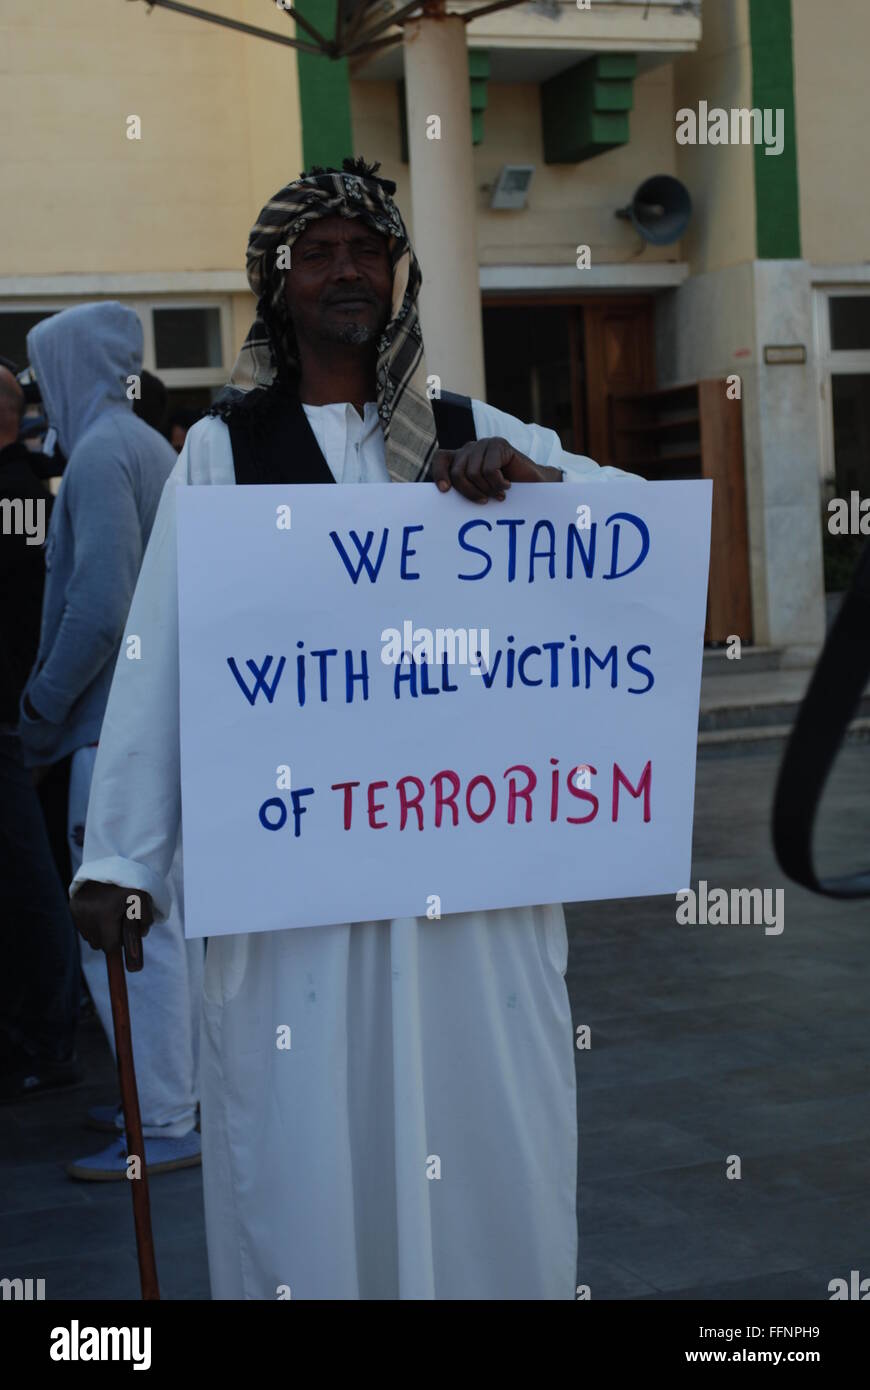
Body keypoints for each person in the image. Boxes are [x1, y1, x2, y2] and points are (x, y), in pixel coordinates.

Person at [70, 158, 633, 1297]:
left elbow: (634, 554)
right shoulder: (223, 455)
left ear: (397, 275)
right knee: (305, 1157)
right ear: (276, 284)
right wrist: (125, 855)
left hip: (473, 897)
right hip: (299, 904)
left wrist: (534, 488)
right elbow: (162, 659)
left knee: (486, 1149)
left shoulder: (477, 429)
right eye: (315, 253)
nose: (344, 271)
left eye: (365, 251)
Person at [18, 302, 203, 1176]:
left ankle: (161, 1121)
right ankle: (168, 1097)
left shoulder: (97, 456)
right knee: (167, 927)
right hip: (158, 726)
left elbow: (98, 609)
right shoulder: (145, 446)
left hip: (112, 737)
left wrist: (39, 707)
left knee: (126, 934)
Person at [0, 364, 80, 1101]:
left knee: (31, 879)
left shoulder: (21, 489)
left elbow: (31, 600)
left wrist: (34, 711)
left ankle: (50, 1032)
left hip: (13, 713)